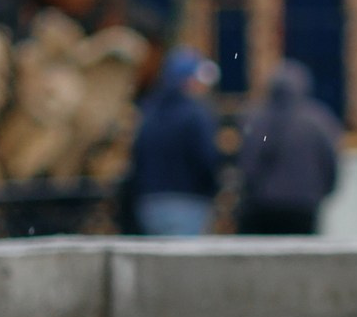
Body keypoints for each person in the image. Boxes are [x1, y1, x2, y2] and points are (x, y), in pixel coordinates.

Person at [235, 59, 343, 235]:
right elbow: (330, 163)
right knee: (301, 259)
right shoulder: (319, 120)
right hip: (303, 205)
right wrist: (321, 192)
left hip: (261, 205)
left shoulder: (254, 118)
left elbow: (247, 163)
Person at [127, 48, 220, 237]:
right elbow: (205, 159)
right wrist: (211, 189)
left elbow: (138, 155)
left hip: (150, 202)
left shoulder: (149, 110)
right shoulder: (196, 115)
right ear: (188, 81)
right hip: (187, 202)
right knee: (185, 263)